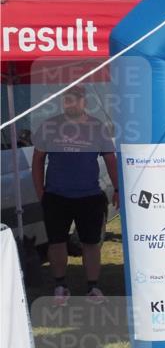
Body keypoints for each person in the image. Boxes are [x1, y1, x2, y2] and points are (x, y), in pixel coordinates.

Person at [31, 85, 118, 305]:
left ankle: (93, 288)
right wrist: (41, 191)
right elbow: (37, 161)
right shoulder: (50, 126)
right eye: (67, 100)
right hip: (56, 196)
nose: (71, 103)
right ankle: (60, 285)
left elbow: (111, 160)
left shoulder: (98, 127)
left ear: (84, 102)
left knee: (91, 243)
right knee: (56, 242)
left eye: (76, 99)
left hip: (89, 196)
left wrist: (117, 188)